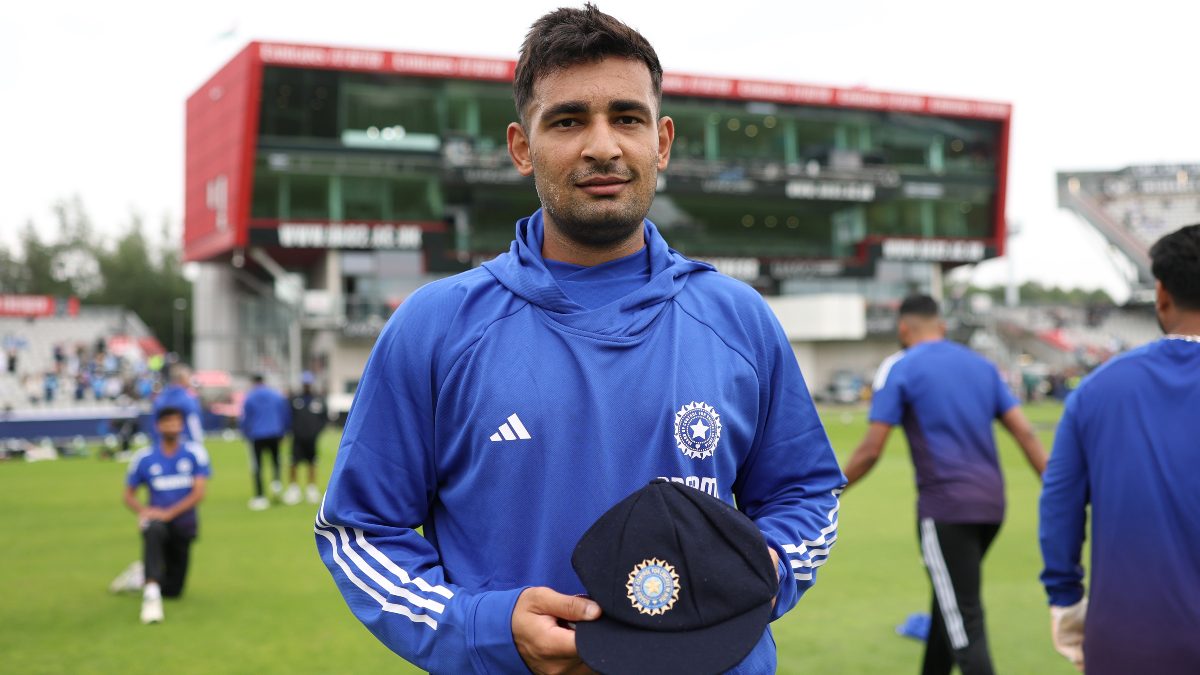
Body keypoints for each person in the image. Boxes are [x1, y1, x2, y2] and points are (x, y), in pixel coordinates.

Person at [315, 5, 845, 673]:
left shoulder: (740, 318)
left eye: (627, 117)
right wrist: (486, 626)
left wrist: (760, 570)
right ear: (520, 145)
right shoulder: (434, 326)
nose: (602, 146)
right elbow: (361, 532)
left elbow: (805, 495)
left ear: (663, 140)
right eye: (567, 120)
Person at [842, 294, 1047, 675]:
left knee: (964, 623)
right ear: (942, 325)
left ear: (904, 328)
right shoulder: (982, 366)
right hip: (992, 507)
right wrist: (1056, 492)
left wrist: (829, 492)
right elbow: (1026, 434)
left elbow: (871, 450)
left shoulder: (900, 366)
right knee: (947, 604)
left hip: (946, 511)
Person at [1039, 223, 1200, 674]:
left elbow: (1058, 510)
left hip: (1127, 643)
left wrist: (1066, 602)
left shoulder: (1096, 390)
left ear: (1162, 294)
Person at [122, 406, 211, 624]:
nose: (172, 426)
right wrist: (144, 512)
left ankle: (139, 576)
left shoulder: (194, 453)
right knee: (153, 529)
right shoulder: (144, 457)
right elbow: (128, 495)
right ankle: (151, 595)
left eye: (176, 422)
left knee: (173, 590)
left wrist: (169, 513)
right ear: (158, 426)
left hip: (184, 525)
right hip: (158, 524)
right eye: (168, 422)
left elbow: (199, 493)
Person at [240, 374, 291, 510]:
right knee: (276, 462)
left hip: (257, 435)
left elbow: (245, 417)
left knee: (257, 466)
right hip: (275, 433)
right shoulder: (276, 395)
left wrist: (244, 432)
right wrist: (284, 430)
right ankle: (276, 485)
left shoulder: (250, 397)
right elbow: (285, 414)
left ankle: (260, 496)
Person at [283, 371, 328, 505]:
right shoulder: (295, 399)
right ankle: (293, 489)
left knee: (312, 463)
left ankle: (311, 489)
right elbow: (287, 417)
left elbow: (324, 418)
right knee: (293, 462)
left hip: (312, 438)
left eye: (308, 383)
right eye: (305, 383)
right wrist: (291, 430)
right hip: (297, 438)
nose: (307, 385)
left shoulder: (318, 400)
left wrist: (316, 431)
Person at [151, 364, 204, 444]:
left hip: (162, 444)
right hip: (185, 443)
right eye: (188, 377)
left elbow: (154, 423)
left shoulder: (160, 398)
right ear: (182, 379)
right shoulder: (188, 399)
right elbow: (194, 422)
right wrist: (198, 442)